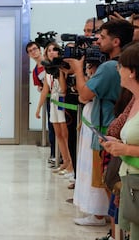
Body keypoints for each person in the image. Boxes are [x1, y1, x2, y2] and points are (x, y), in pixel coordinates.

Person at [65, 19, 134, 227]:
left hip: (108, 129)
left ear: (116, 41)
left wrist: (78, 70)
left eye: (102, 37)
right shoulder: (116, 64)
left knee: (108, 180)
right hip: (117, 127)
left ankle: (113, 225)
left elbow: (84, 94)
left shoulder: (109, 67)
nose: (97, 40)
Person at [100, 42, 139, 240]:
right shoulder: (134, 100)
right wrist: (115, 142)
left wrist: (124, 148)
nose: (118, 70)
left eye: (120, 66)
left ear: (132, 71)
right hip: (129, 182)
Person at [36, 42, 74, 174]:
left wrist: (60, 73)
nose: (52, 52)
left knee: (66, 134)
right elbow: (45, 90)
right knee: (58, 134)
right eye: (49, 50)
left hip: (62, 102)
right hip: (53, 102)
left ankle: (71, 164)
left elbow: (63, 89)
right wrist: (38, 107)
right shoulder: (47, 71)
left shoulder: (62, 68)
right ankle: (65, 161)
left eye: (54, 50)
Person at [26, 41, 56, 164]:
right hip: (49, 100)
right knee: (52, 128)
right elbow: (41, 87)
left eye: (35, 49)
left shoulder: (51, 63)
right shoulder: (35, 72)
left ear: (39, 49)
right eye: (30, 51)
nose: (33, 52)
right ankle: (54, 153)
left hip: (60, 98)